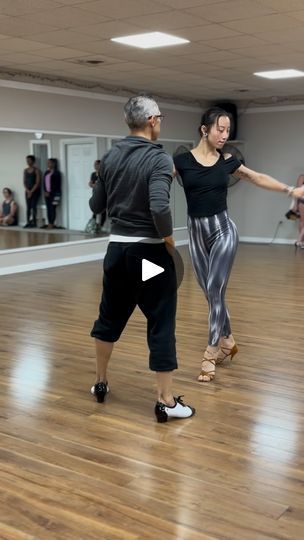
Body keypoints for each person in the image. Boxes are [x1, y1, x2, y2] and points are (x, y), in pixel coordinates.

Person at [174, 106, 304, 383]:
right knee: (212, 295)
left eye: (227, 131)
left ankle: (210, 353)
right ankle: (229, 341)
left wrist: (290, 190)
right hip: (196, 234)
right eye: (220, 129)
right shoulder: (183, 161)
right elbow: (157, 181)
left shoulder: (228, 161)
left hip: (223, 231)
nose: (224, 135)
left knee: (214, 288)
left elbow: (256, 177)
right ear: (204, 130)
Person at [89, 94, 195, 422]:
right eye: (160, 117)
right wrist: (169, 240)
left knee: (109, 318)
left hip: (117, 252)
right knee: (161, 320)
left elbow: (96, 206)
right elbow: (159, 207)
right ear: (151, 121)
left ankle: (100, 382)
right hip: (148, 255)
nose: (160, 122)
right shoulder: (159, 159)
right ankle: (165, 400)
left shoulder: (109, 156)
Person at [42, 158, 62, 229]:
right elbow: (44, 183)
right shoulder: (46, 172)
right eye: (47, 163)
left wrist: (50, 192)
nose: (48, 164)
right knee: (48, 208)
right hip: (46, 194)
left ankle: (52, 223)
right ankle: (49, 222)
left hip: (55, 194)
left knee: (52, 208)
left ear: (54, 164)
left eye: (50, 163)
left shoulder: (57, 173)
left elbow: (57, 185)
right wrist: (45, 191)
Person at [23, 154, 41, 228]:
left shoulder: (36, 170)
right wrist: (27, 191)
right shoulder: (25, 170)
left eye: (29, 160)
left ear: (33, 161)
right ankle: (28, 222)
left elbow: (37, 182)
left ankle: (34, 222)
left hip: (35, 191)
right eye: (27, 160)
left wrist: (31, 191)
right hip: (27, 191)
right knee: (28, 207)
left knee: (34, 206)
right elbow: (24, 182)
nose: (28, 162)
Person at [289, 174, 304, 248]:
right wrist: (295, 204)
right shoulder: (302, 177)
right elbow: (297, 191)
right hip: (302, 200)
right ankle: (301, 241)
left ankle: (300, 241)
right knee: (302, 221)